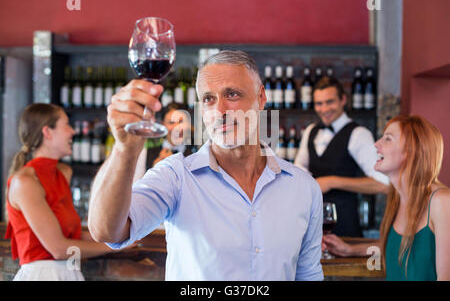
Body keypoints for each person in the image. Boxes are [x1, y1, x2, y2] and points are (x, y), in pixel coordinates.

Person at [88, 50, 324, 280]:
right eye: (209, 99)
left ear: (261, 98)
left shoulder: (303, 187)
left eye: (232, 95)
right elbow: (107, 231)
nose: (219, 111)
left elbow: (308, 274)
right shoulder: (176, 176)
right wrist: (124, 149)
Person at [4, 103, 132, 281]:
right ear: (47, 132)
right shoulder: (24, 181)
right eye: (66, 125)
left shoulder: (63, 173)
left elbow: (75, 235)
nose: (72, 131)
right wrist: (116, 246)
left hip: (69, 271)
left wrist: (121, 237)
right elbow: (58, 249)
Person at [322, 115, 450, 280]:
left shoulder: (441, 201)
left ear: (412, 151)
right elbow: (396, 248)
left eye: (388, 139)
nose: (376, 144)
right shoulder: (396, 199)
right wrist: (349, 250)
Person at [294, 76, 389, 237]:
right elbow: (298, 171)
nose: (324, 109)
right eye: (319, 103)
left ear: (343, 100)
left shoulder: (359, 134)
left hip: (345, 226)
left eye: (330, 102)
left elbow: (383, 184)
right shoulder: (311, 131)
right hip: (311, 226)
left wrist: (332, 182)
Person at [133, 102, 193, 182]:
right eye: (171, 123)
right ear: (163, 125)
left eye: (181, 122)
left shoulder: (197, 153)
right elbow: (136, 188)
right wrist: (155, 171)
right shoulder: (145, 154)